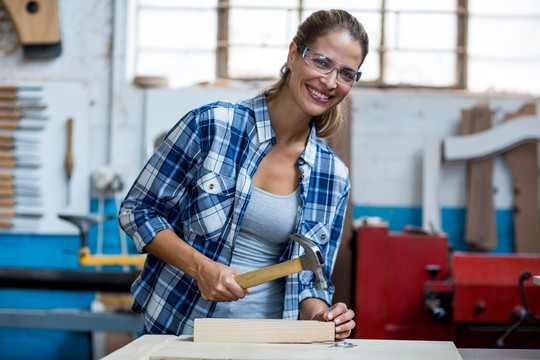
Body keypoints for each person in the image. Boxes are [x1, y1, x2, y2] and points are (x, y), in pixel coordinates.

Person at [119, 9, 369, 339]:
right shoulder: (212, 126)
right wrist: (200, 268)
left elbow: (310, 282)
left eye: (347, 74)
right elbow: (137, 211)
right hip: (182, 332)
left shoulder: (333, 175)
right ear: (294, 54)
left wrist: (322, 318)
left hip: (270, 344)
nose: (331, 82)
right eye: (322, 62)